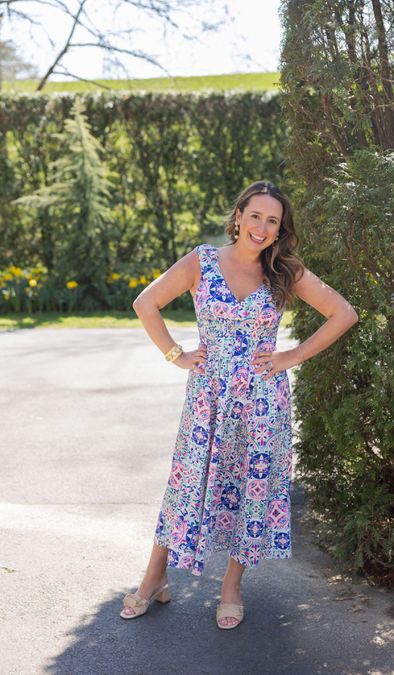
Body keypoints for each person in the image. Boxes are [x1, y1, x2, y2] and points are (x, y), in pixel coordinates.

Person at [120, 180, 358, 629]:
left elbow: (344, 313)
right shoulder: (201, 262)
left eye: (273, 221)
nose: (262, 227)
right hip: (207, 397)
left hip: (262, 400)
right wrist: (176, 355)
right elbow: (145, 302)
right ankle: (154, 577)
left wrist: (291, 356)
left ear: (279, 229)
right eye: (256, 216)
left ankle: (232, 585)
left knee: (249, 488)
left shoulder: (284, 270)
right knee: (187, 482)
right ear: (239, 217)